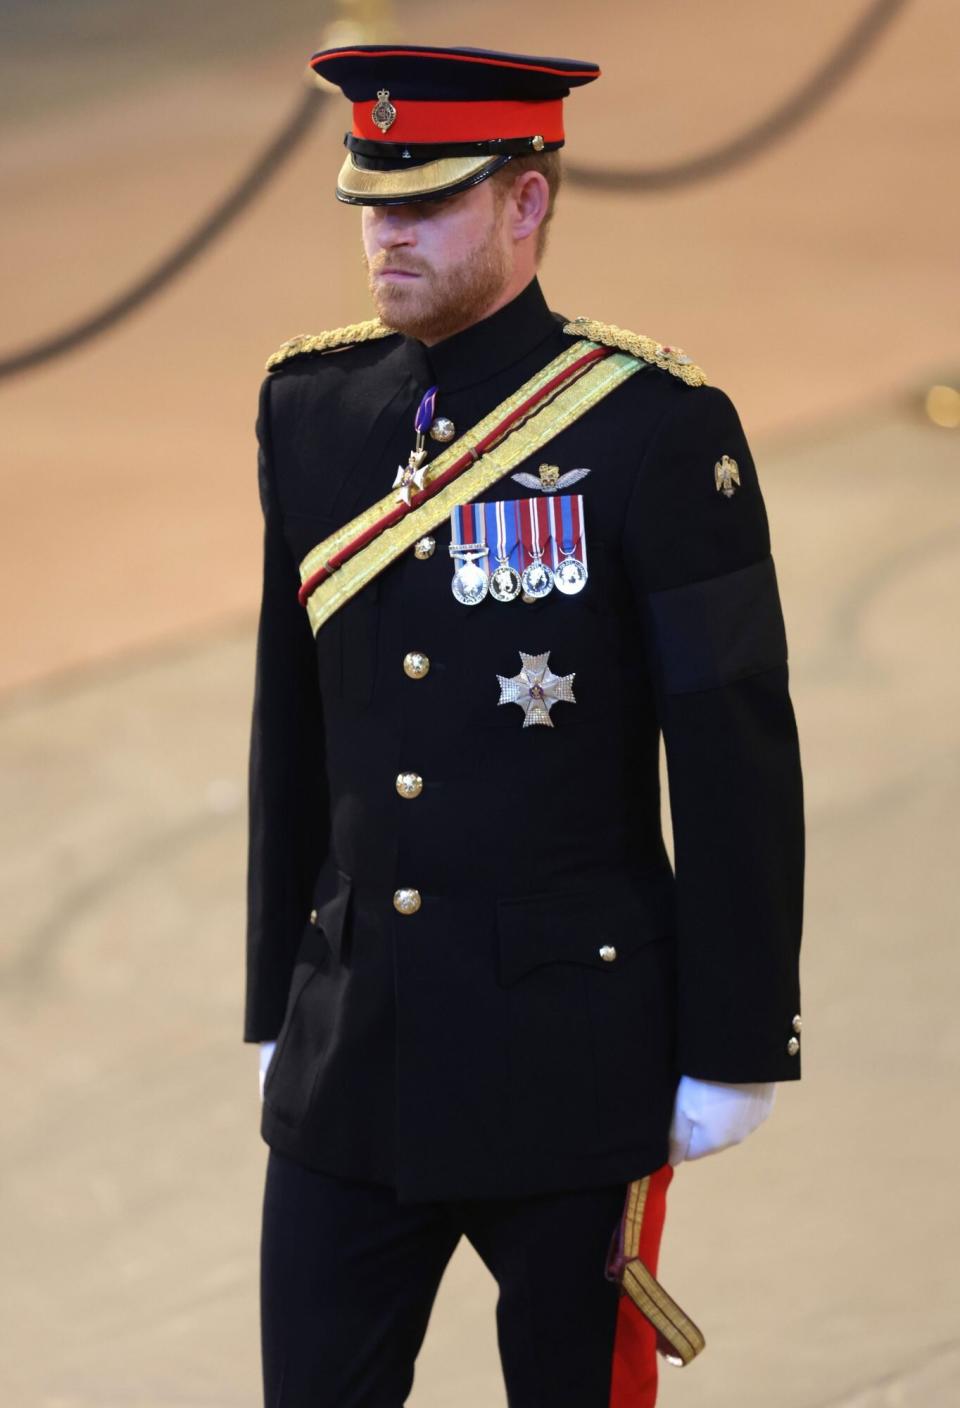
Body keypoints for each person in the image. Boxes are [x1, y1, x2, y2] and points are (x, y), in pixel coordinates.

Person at [244, 42, 804, 1408]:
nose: (386, 238)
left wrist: (737, 1041)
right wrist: (276, 992)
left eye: (424, 203)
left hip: (574, 1054)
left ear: (527, 200)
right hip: (353, 1049)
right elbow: (291, 726)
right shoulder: (312, 414)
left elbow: (733, 751)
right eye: (372, 204)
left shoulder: (656, 432)